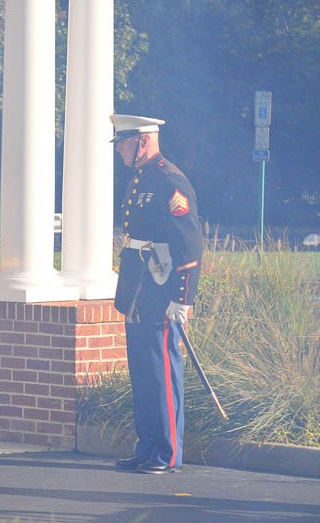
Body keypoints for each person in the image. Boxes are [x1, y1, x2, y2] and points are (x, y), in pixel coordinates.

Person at [110, 114, 203, 474]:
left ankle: (167, 451)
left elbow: (189, 244)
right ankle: (147, 445)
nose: (119, 149)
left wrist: (182, 297)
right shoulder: (141, 177)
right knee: (143, 369)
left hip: (161, 288)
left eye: (124, 143)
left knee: (162, 370)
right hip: (139, 284)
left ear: (143, 141)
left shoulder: (169, 180)